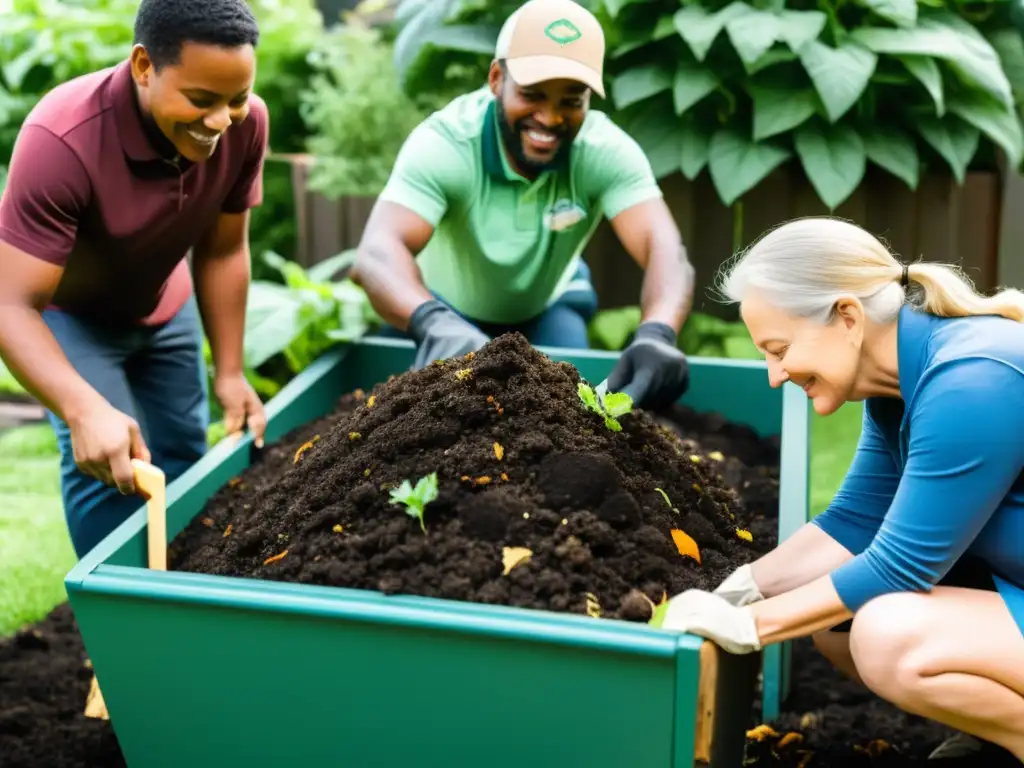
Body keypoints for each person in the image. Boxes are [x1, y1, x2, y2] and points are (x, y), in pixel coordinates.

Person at [657, 217, 1024, 763]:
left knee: (886, 632)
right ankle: (992, 736)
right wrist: (737, 589)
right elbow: (852, 522)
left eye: (778, 348)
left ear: (847, 317)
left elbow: (900, 567)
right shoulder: (896, 387)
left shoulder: (973, 380)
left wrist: (748, 625)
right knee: (836, 618)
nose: (773, 375)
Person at [0, 0, 269, 560]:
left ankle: (190, 606)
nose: (221, 121)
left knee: (185, 460)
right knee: (112, 472)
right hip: (73, 320)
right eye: (200, 100)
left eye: (236, 99)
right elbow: (10, 304)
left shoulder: (247, 127)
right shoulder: (62, 138)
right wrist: (82, 407)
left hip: (166, 306)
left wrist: (230, 369)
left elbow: (223, 251)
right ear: (145, 67)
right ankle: (120, 631)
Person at [350, 0, 694, 411]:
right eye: (532, 95)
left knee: (569, 417)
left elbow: (665, 249)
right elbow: (374, 255)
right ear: (497, 79)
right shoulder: (446, 144)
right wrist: (432, 321)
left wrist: (657, 334)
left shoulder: (604, 151)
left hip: (546, 307)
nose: (550, 118)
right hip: (446, 313)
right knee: (404, 417)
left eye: (572, 100)